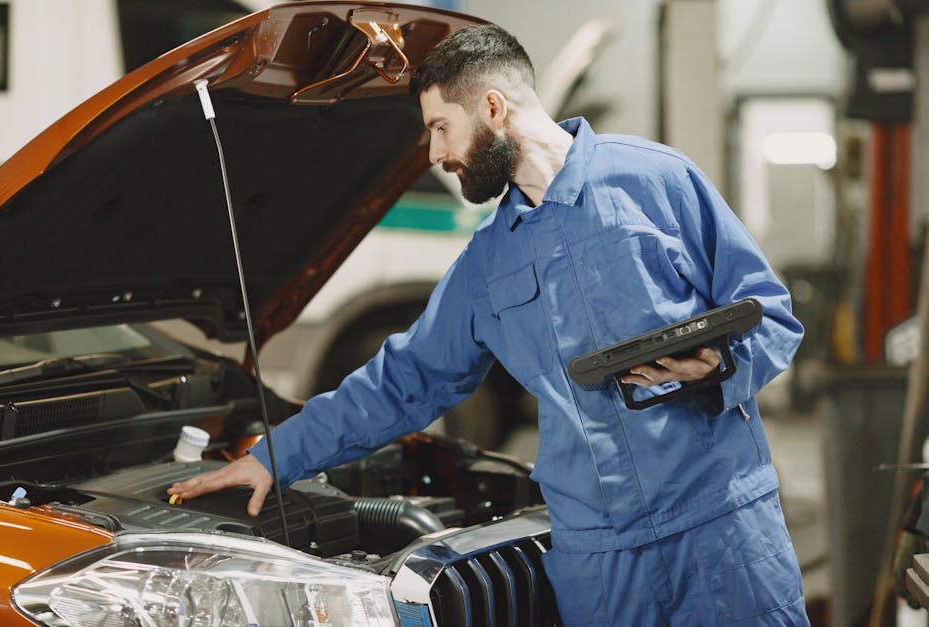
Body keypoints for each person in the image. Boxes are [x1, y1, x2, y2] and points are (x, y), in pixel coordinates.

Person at [169, 24, 809, 626]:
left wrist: (718, 365)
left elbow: (769, 313)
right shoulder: (486, 262)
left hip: (719, 526)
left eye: (442, 127)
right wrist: (275, 457)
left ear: (494, 108)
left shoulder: (655, 180)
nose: (435, 152)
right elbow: (406, 380)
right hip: (603, 556)